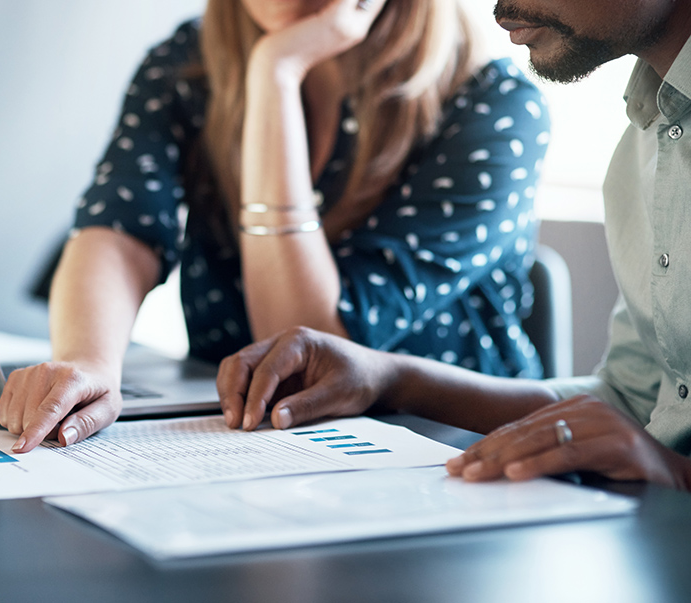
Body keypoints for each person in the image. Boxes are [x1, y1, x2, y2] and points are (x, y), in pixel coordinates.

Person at [0, 0, 550, 452]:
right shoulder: (188, 63)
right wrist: (87, 362)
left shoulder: (493, 103)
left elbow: (311, 355)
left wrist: (276, 74)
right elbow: (120, 227)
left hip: (444, 451)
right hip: (254, 443)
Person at [216, 0, 691, 489]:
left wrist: (676, 472)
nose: (498, 8)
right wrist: (386, 377)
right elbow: (631, 404)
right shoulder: (647, 143)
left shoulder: (493, 102)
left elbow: (657, 446)